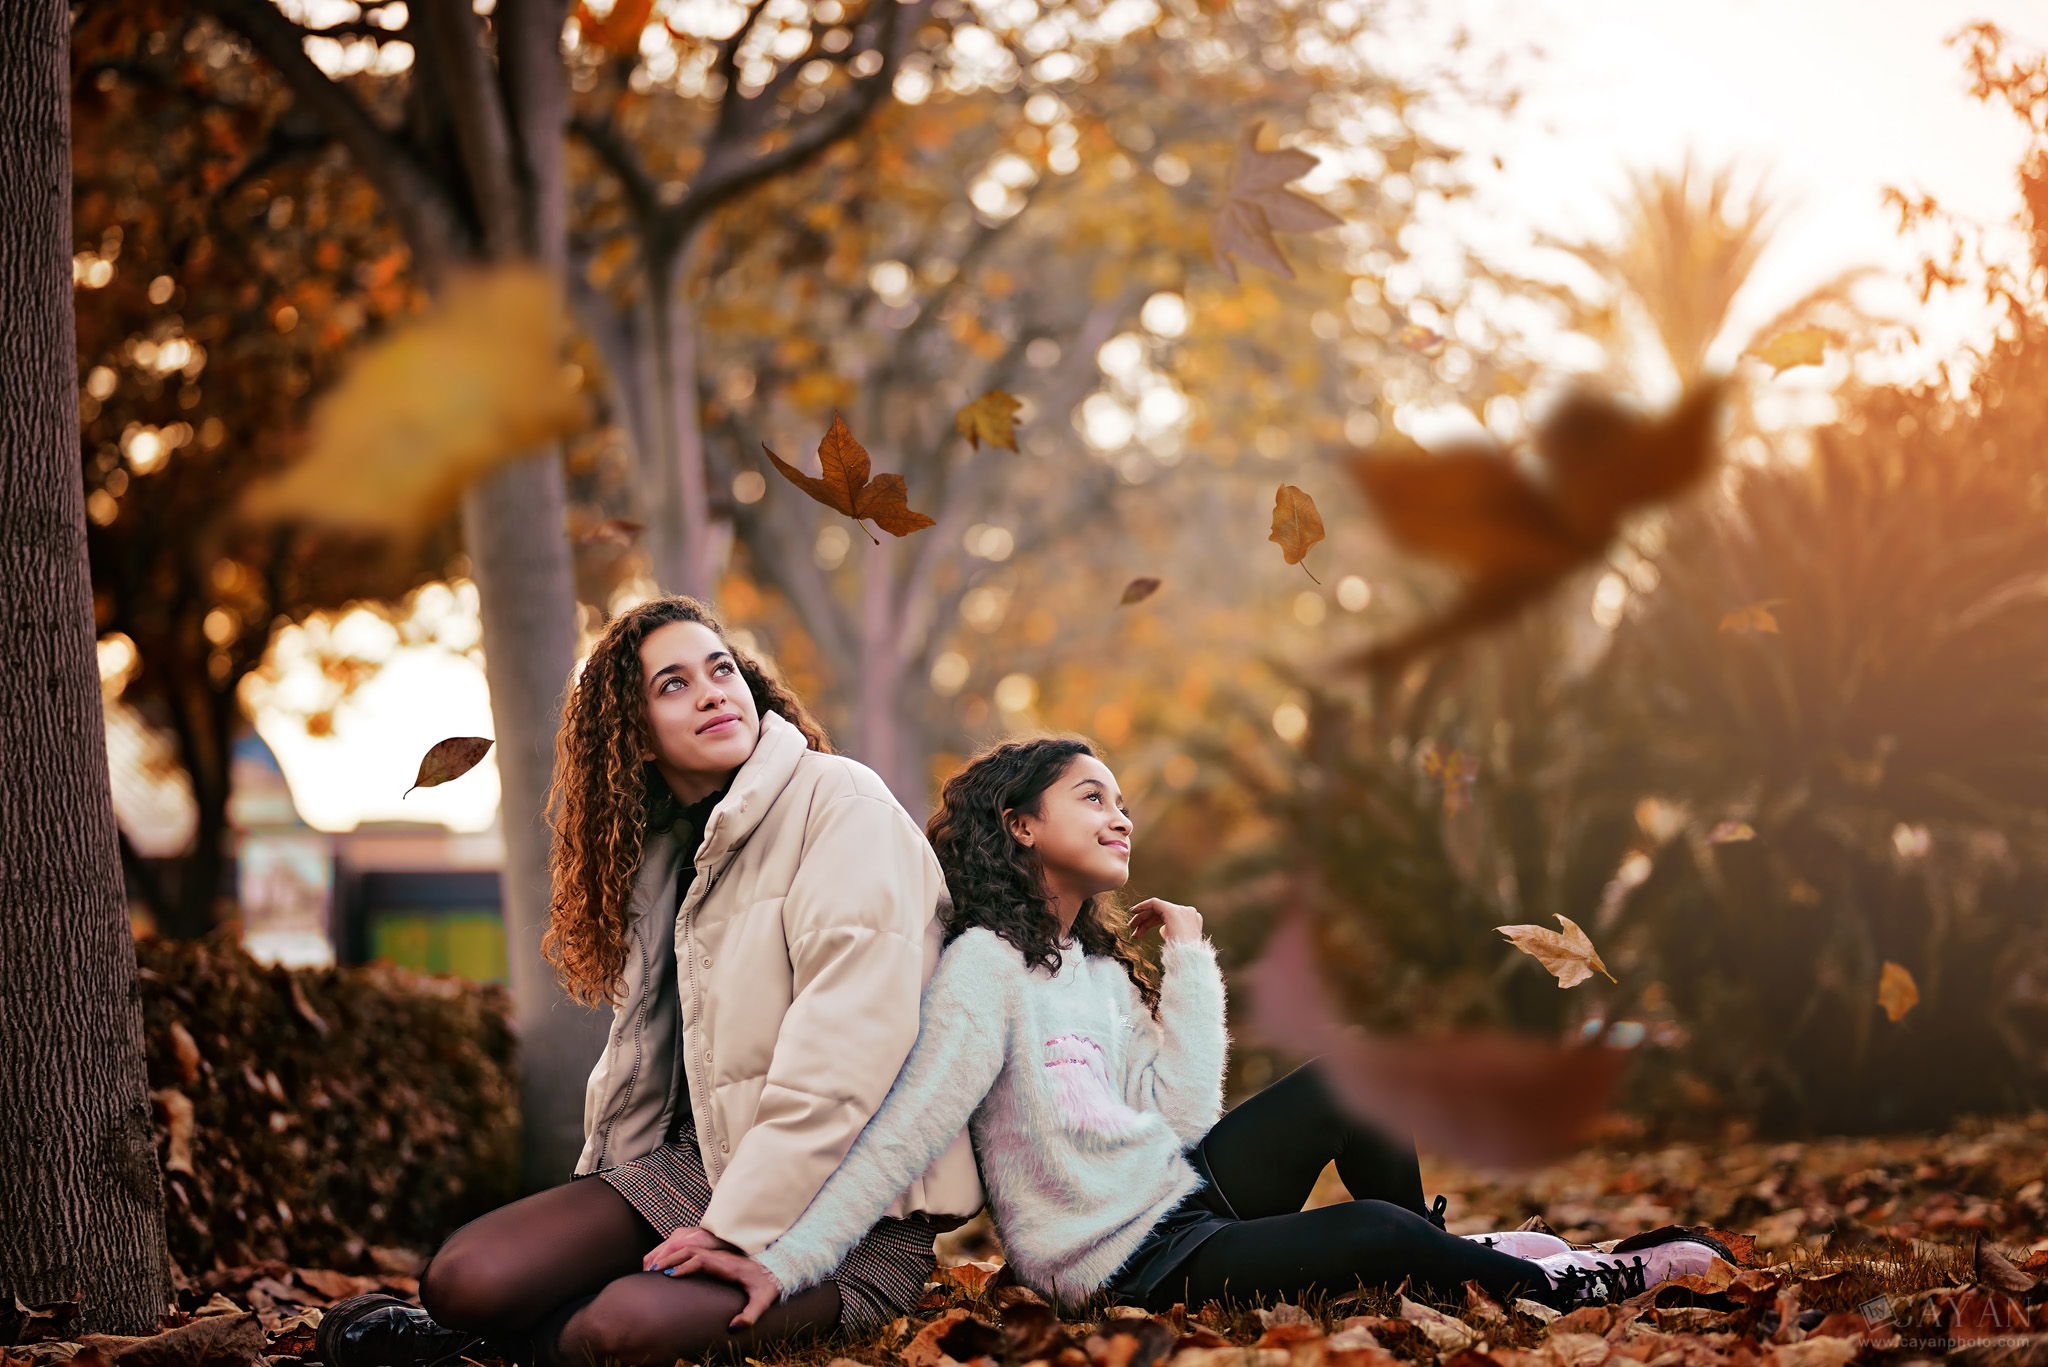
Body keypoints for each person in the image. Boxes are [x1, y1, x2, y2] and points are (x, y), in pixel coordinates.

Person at [666, 736, 1734, 1326]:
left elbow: (1179, 1109)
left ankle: (1437, 1265)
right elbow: (901, 1133)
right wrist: (782, 1254)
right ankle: (1555, 1277)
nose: (1120, 814)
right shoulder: (981, 972)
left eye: (1123, 798)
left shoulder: (1088, 967)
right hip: (1123, 1265)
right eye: (1092, 796)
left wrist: (1188, 958)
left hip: (1180, 1199)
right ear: (1021, 825)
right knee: (1365, 1225)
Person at [316, 596, 984, 1367]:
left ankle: (494, 1346)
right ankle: (476, 1330)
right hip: (700, 1168)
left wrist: (737, 1227)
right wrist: (611, 1198)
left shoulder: (843, 804)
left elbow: (848, 1056)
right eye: (672, 684)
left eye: (721, 668)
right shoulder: (665, 852)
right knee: (464, 1277)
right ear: (633, 736)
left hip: (853, 1203)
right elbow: (647, 1064)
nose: (711, 692)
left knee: (615, 1333)